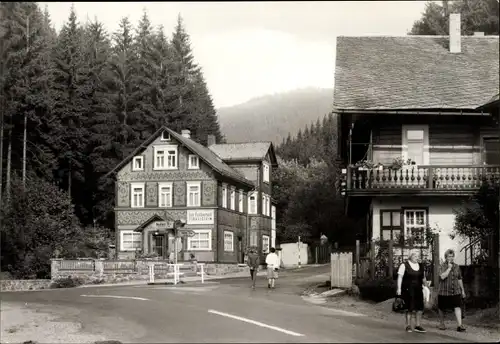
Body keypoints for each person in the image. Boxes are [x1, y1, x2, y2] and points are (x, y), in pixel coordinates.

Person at [396, 250, 428, 333]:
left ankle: (417, 326)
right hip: (408, 290)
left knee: (420, 308)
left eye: (418, 256)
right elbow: (400, 277)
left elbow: (423, 278)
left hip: (418, 289)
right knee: (409, 308)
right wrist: (399, 289)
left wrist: (426, 286)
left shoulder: (421, 266)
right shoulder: (404, 265)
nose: (417, 258)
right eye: (415, 256)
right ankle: (408, 325)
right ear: (410, 256)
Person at [437, 249, 466, 332]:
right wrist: (449, 269)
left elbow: (459, 279)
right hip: (443, 291)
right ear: (446, 257)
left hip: (455, 291)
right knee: (442, 308)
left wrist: (462, 290)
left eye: (452, 256)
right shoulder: (441, 266)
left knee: (457, 306)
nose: (451, 258)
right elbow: (442, 277)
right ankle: (442, 323)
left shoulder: (457, 266)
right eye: (449, 256)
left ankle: (460, 325)